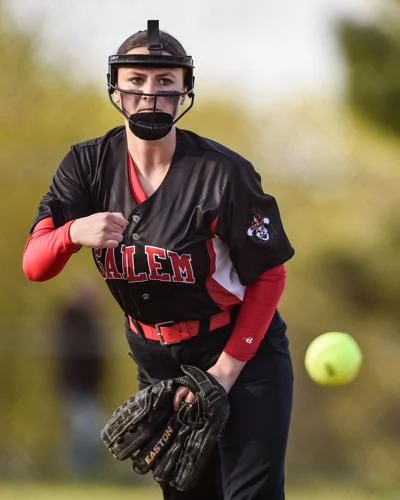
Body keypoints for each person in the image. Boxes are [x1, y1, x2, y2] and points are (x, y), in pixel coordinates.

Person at [23, 19, 295, 500]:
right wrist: (72, 232)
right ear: (117, 90)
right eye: (137, 81)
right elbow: (35, 265)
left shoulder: (222, 174)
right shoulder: (88, 166)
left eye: (165, 81)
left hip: (239, 350)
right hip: (156, 358)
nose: (150, 94)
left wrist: (225, 372)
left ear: (185, 89)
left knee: (251, 495)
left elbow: (269, 273)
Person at [53, 281, 105, 480]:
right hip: (77, 386)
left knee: (89, 432)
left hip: (89, 387)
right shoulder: (73, 319)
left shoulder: (88, 321)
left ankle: (85, 473)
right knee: (82, 434)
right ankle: (79, 473)